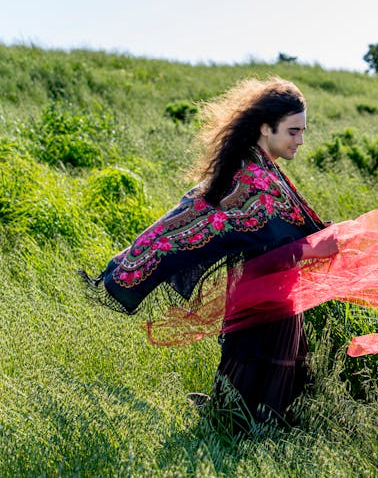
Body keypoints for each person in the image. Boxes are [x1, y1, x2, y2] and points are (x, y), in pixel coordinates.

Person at [80, 77, 336, 428]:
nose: (300, 140)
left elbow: (278, 232)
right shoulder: (251, 178)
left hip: (269, 295)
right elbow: (263, 250)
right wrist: (314, 249)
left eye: (303, 130)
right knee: (255, 382)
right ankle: (242, 436)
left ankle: (247, 429)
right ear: (265, 128)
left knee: (260, 377)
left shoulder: (263, 170)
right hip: (263, 297)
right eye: (293, 131)